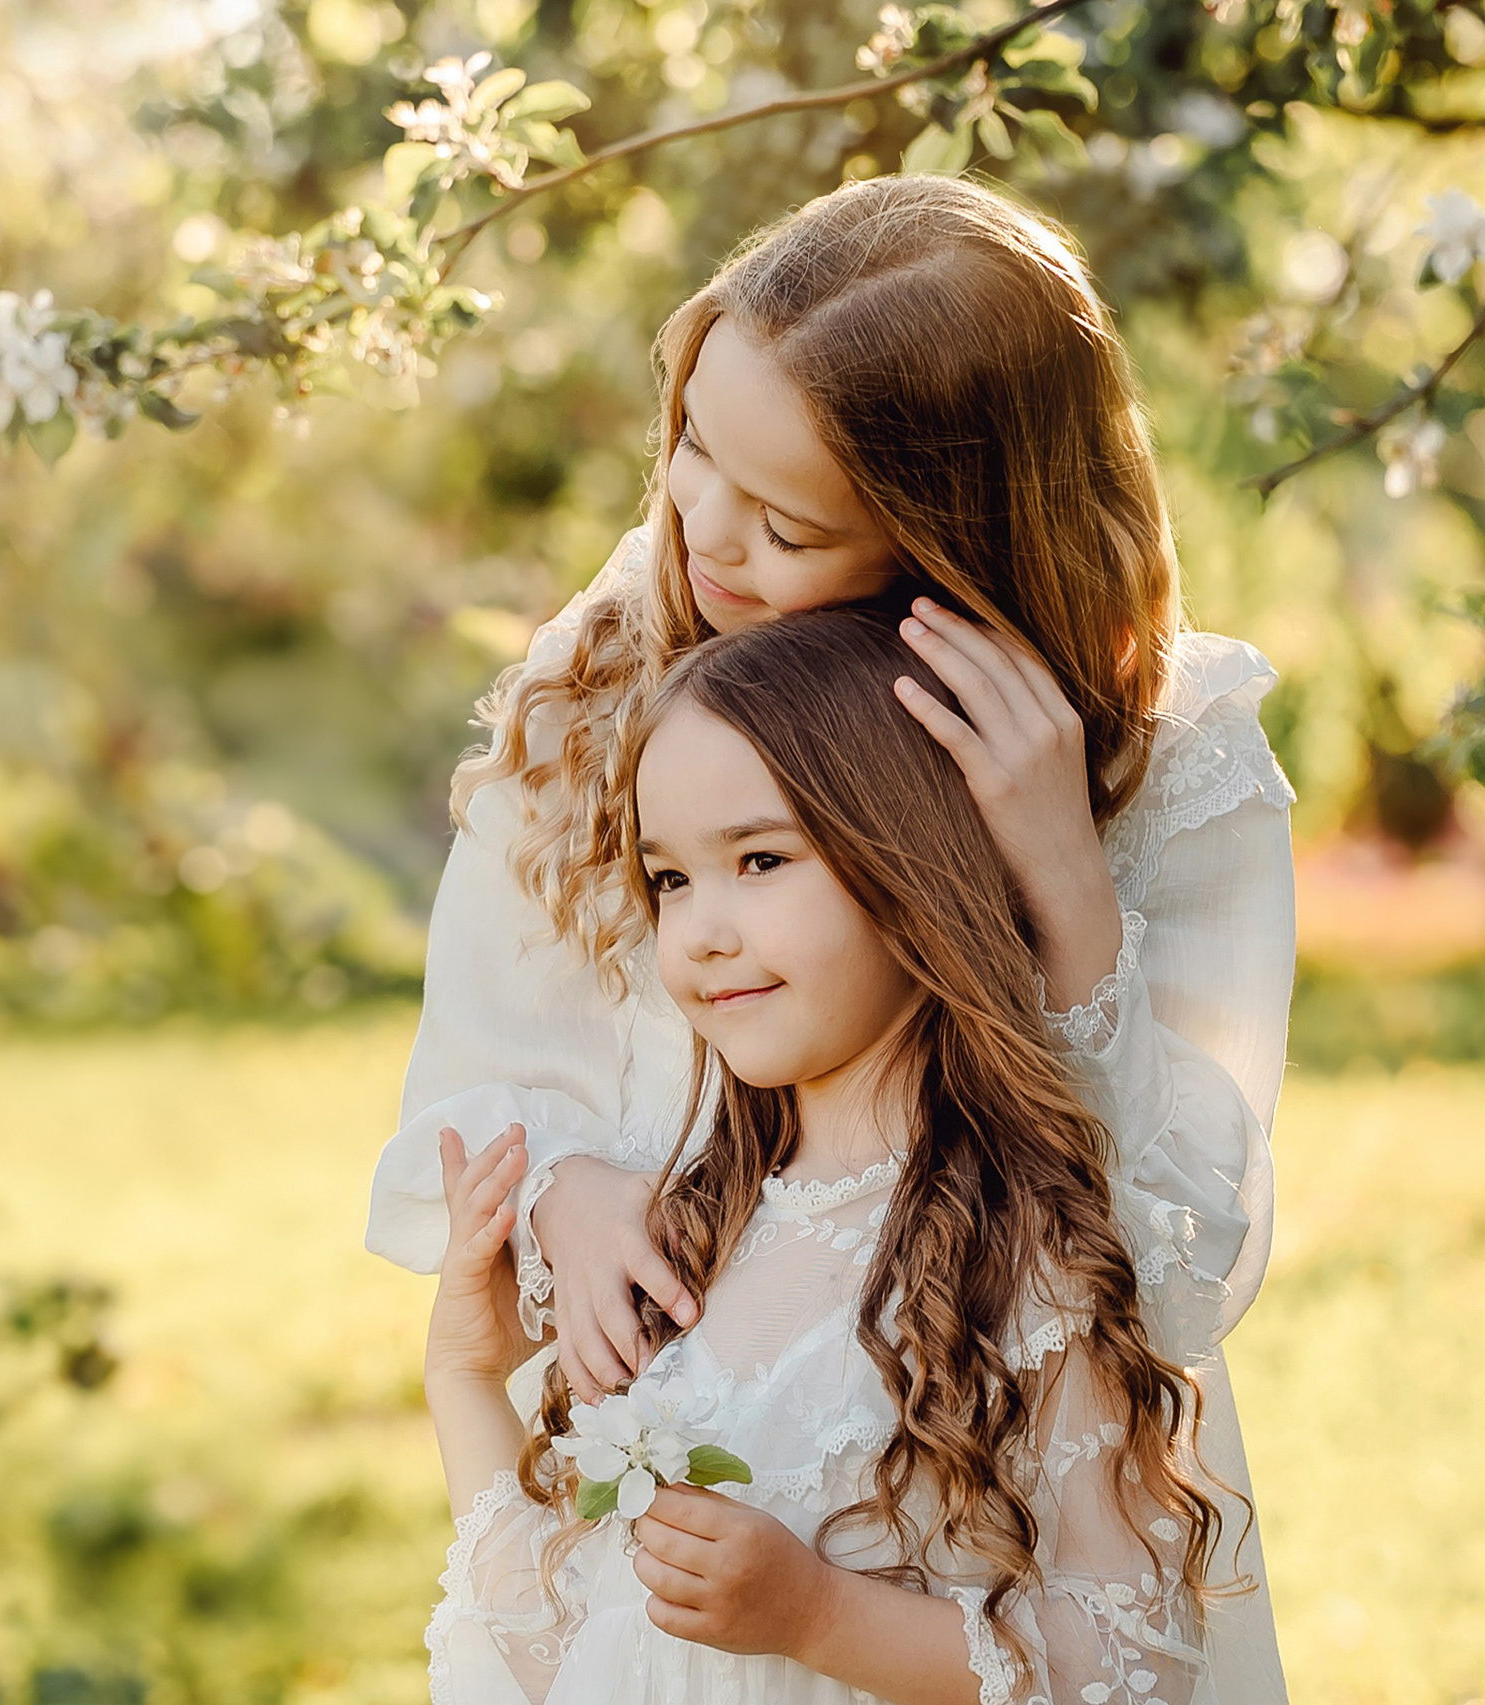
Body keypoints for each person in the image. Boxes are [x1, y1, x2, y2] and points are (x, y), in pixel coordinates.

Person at [367, 175, 1292, 1397]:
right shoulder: (609, 669)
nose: (698, 532)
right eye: (695, 441)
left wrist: (1060, 868)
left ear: (949, 546)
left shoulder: (1171, 756)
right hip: (660, 1459)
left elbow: (1179, 1267)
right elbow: (462, 1086)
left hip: (992, 1490)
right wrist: (559, 1193)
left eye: (787, 530)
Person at [421, 610, 1275, 1704]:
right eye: (670, 878)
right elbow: (577, 1658)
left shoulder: (1022, 1247)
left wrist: (819, 1613)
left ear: (910, 863)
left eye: (761, 858)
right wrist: (460, 1374)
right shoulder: (687, 1243)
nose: (700, 931)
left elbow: (1134, 1664)